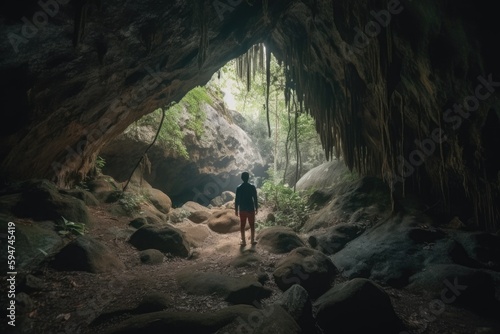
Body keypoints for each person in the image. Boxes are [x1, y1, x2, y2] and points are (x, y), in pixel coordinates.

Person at [234, 171, 258, 246]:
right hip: (250, 208)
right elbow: (255, 198)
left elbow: (237, 199)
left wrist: (236, 209)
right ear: (248, 178)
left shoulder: (239, 188)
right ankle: (252, 240)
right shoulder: (252, 187)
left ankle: (243, 240)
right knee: (252, 225)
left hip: (242, 209)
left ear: (241, 178)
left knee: (242, 225)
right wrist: (256, 207)